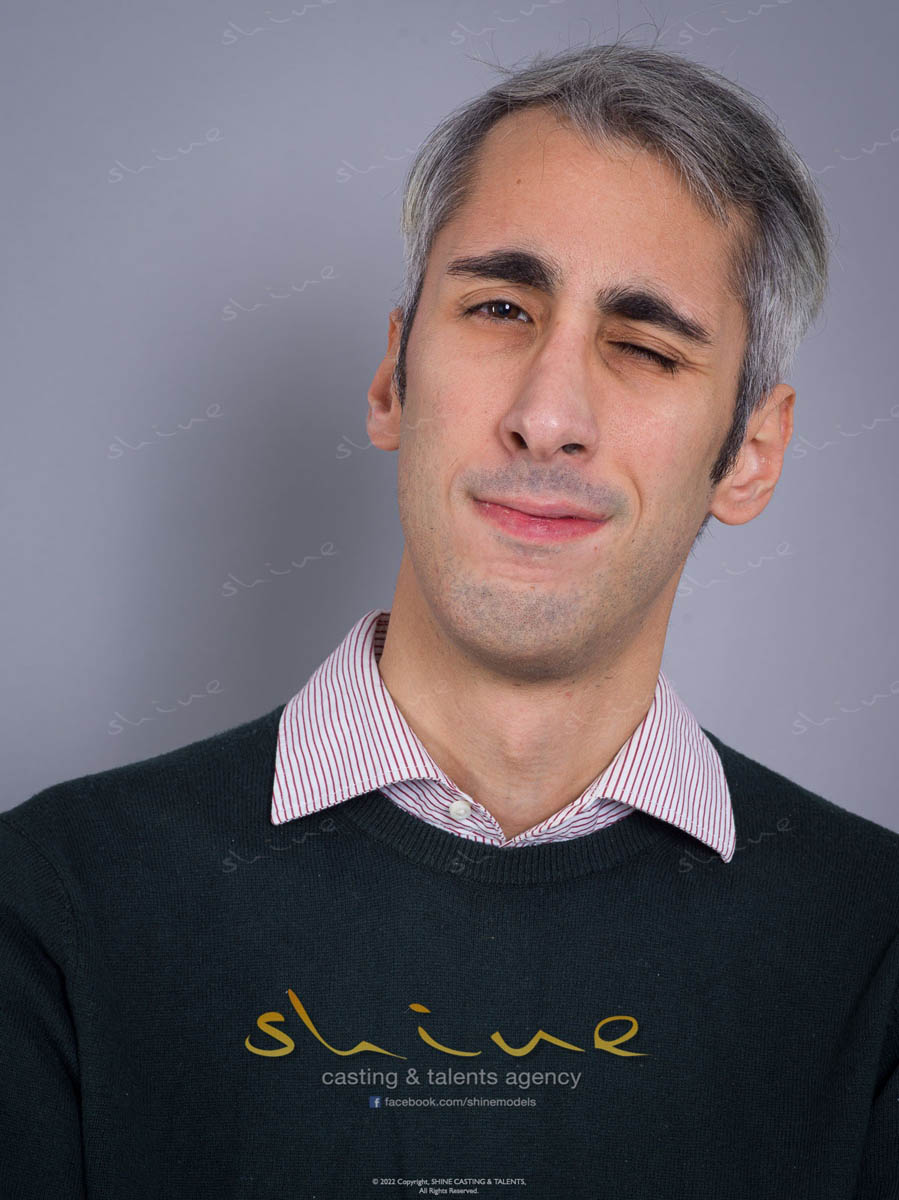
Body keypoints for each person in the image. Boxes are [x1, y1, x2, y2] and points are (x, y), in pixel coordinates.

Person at [2, 37, 896, 1199]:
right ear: (393, 378)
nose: (546, 415)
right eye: (498, 307)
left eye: (642, 346)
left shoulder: (873, 951)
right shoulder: (51, 906)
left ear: (751, 453)